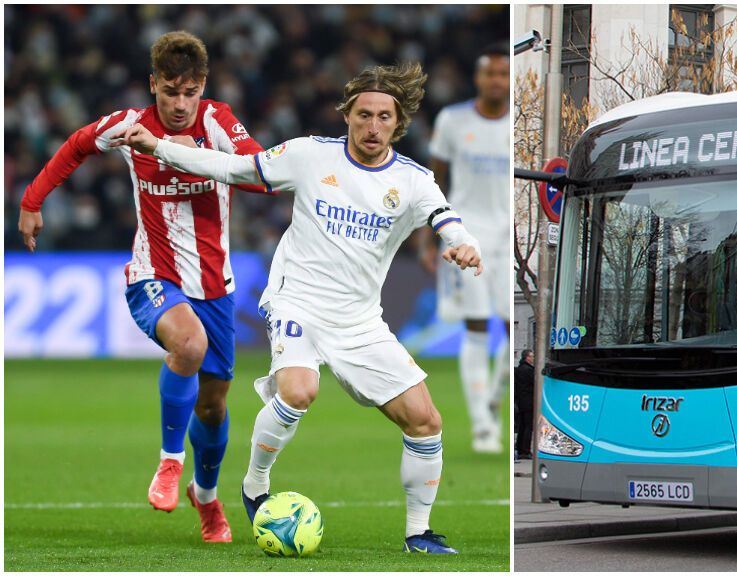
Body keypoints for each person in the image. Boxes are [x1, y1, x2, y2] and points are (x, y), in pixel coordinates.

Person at [114, 62, 482, 555]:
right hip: (296, 301)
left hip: (359, 320)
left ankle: (419, 532)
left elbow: (447, 219)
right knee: (299, 389)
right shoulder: (310, 155)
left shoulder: (413, 181)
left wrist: (462, 244)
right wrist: (161, 148)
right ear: (347, 115)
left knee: (426, 420)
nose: (372, 126)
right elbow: (236, 168)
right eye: (364, 114)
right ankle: (255, 483)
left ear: (399, 123)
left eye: (383, 118)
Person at [17, 31, 266, 543]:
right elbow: (77, 145)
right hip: (153, 274)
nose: (179, 104)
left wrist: (191, 153)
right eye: (170, 91)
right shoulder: (130, 126)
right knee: (188, 345)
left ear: (203, 88)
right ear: (153, 85)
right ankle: (169, 461)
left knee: (214, 406)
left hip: (215, 285)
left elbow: (261, 174)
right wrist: (32, 200)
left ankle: (206, 495)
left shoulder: (218, 122)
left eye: (189, 92)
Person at [420, 43, 510, 454]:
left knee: (515, 329)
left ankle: (494, 397)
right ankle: (482, 425)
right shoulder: (453, 121)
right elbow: (433, 182)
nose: (497, 80)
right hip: (465, 233)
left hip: (510, 237)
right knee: (476, 325)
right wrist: (427, 237)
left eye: (503, 74)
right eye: (490, 73)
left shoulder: (519, 123)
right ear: (479, 78)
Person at [514, 349, 535, 459]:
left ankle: (519, 447)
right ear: (527, 357)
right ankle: (525, 450)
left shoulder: (519, 369)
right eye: (531, 356)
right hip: (528, 401)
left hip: (521, 401)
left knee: (522, 426)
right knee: (528, 426)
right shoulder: (529, 370)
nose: (533, 358)